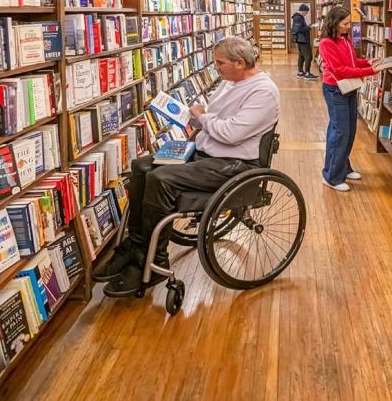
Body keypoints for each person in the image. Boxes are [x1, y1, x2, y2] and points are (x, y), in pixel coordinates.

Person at [97, 36, 281, 297]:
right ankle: (135, 246)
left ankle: (153, 260)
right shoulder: (230, 82)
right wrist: (196, 117)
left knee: (161, 179)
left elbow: (230, 133)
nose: (216, 68)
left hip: (233, 163)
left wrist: (202, 116)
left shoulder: (263, 91)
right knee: (141, 167)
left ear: (241, 63)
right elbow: (213, 119)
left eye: (220, 63)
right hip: (206, 151)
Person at [318, 6, 382, 192]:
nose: (348, 26)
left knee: (350, 130)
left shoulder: (345, 40)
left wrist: (368, 62)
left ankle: (343, 168)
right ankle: (331, 176)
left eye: (349, 22)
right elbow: (339, 70)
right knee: (340, 132)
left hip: (349, 87)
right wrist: (370, 71)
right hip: (335, 89)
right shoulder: (326, 43)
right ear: (334, 23)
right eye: (345, 23)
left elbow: (351, 63)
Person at [291, 3, 317, 80]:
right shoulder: (298, 18)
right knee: (308, 56)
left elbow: (299, 28)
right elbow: (298, 29)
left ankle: (300, 72)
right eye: (306, 12)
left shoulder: (298, 17)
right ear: (302, 11)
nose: (307, 13)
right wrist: (309, 27)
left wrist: (307, 27)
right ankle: (307, 73)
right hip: (302, 40)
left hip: (300, 40)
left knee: (302, 56)